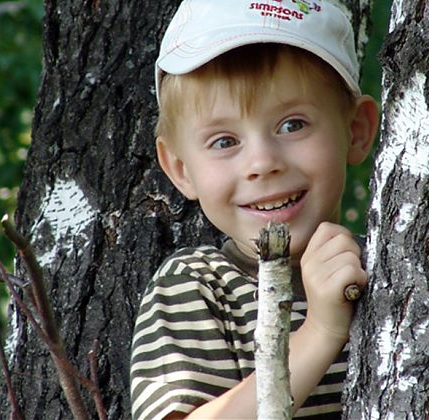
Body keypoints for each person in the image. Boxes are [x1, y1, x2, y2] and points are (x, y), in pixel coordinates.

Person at [130, 0, 379, 418]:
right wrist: (321, 331)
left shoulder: (391, 267)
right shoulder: (198, 288)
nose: (262, 163)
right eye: (224, 142)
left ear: (356, 131)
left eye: (292, 124)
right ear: (180, 168)